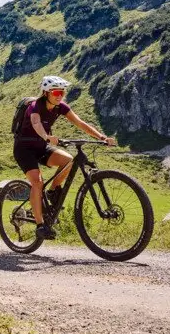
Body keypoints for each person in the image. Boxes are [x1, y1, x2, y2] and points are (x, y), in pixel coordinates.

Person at [13, 75, 115, 240]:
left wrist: (101, 137)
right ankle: (40, 226)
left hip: (41, 147)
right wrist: (46, 136)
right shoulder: (35, 106)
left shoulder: (61, 107)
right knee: (37, 183)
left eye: (62, 92)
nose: (59, 95)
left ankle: (53, 191)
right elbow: (36, 123)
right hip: (24, 148)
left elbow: (80, 123)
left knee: (68, 160)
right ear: (46, 93)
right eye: (56, 92)